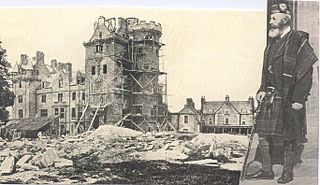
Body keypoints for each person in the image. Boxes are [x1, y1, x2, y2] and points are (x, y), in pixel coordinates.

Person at [247, 1, 318, 184]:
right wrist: (262, 89)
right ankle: (266, 170)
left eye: (274, 18)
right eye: (270, 18)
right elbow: (265, 71)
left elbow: (306, 72)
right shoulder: (272, 42)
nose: (270, 21)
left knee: (289, 135)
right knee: (262, 133)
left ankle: (287, 172)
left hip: (289, 96)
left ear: (285, 20)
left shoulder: (297, 40)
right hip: (271, 97)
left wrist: (299, 99)